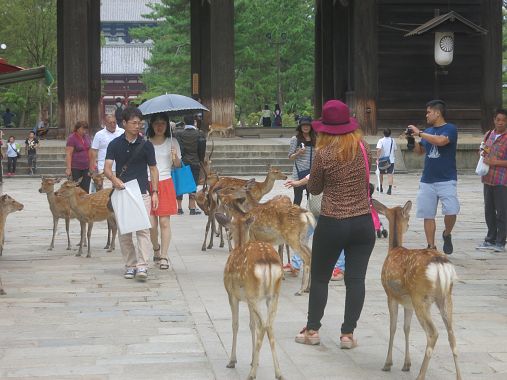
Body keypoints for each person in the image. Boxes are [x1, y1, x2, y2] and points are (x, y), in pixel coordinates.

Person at [293, 99, 375, 348]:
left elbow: (315, 187)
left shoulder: (324, 154)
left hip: (333, 222)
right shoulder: (363, 147)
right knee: (356, 280)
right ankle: (348, 334)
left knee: (320, 278)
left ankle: (312, 330)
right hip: (362, 223)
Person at [104, 106, 159, 281]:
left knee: (143, 230)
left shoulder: (146, 145)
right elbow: (106, 168)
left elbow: (153, 169)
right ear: (124, 123)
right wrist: (114, 180)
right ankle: (130, 264)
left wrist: (155, 191)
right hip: (123, 192)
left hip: (142, 192)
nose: (138, 126)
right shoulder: (114, 144)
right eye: (134, 123)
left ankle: (142, 266)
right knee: (124, 232)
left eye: (140, 123)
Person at [407, 99, 459, 254]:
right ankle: (431, 246)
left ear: (438, 112)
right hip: (427, 179)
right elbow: (420, 151)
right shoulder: (428, 131)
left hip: (447, 178)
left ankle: (446, 233)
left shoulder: (450, 128)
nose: (427, 114)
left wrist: (420, 132)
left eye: (429, 111)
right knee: (428, 214)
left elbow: (441, 141)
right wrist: (411, 139)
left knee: (451, 211)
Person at [146, 113, 181, 270]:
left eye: (162, 124)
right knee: (151, 224)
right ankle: (156, 248)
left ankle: (164, 256)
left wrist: (175, 157)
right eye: (156, 124)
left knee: (165, 222)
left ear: (167, 126)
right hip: (148, 183)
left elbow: (178, 165)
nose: (159, 127)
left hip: (166, 182)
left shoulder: (172, 142)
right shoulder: (146, 143)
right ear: (151, 125)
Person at [476, 108, 507, 253]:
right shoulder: (489, 134)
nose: (500, 123)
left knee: (502, 211)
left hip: (502, 180)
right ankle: (490, 238)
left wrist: (496, 162)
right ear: (494, 120)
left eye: (503, 120)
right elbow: (484, 150)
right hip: (487, 178)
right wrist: (482, 152)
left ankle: (501, 241)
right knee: (488, 210)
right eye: (498, 119)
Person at [175, 114, 206, 215]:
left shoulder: (179, 134)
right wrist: (201, 160)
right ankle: (192, 207)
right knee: (193, 184)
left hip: (182, 162)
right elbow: (202, 149)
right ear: (195, 122)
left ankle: (179, 208)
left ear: (184, 122)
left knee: (181, 183)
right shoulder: (199, 134)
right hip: (195, 162)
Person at [288, 116, 316, 205]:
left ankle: (309, 217)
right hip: (298, 171)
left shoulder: (316, 138)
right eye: (303, 125)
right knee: (297, 197)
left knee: (311, 199)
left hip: (311, 172)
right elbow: (290, 157)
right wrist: (298, 153)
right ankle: (294, 217)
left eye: (308, 125)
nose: (306, 127)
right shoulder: (295, 139)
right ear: (300, 127)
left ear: (311, 127)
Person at [65, 121, 92, 193]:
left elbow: (90, 151)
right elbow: (68, 154)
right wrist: (68, 168)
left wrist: (92, 165)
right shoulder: (72, 138)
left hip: (86, 167)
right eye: (83, 129)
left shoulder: (87, 137)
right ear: (77, 129)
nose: (84, 131)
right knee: (76, 188)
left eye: (86, 129)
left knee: (86, 188)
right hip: (76, 167)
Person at [376, 128, 397, 194]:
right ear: (390, 133)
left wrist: (377, 158)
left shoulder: (380, 140)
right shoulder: (393, 140)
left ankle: (381, 187)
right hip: (391, 160)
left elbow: (379, 150)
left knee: (381, 174)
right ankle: (389, 190)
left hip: (382, 160)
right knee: (390, 174)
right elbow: (395, 149)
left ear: (383, 133)